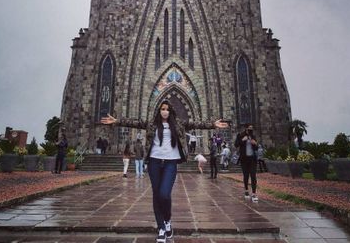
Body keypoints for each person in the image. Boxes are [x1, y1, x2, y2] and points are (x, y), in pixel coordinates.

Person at [101, 100, 229, 243]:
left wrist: (213, 124)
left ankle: (167, 220)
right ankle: (161, 228)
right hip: (154, 162)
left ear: (171, 111)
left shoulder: (178, 124)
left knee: (164, 194)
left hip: (170, 162)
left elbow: (196, 124)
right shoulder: (152, 124)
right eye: (162, 109)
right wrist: (117, 121)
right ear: (159, 110)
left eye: (167, 109)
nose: (165, 111)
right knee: (157, 195)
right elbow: (134, 122)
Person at [235, 123, 258, 202]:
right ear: (246, 129)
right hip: (244, 159)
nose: (250, 130)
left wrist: (255, 144)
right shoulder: (240, 135)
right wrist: (242, 140)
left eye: (252, 128)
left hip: (252, 159)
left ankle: (254, 193)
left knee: (253, 176)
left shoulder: (253, 136)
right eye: (249, 128)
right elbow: (236, 144)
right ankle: (246, 191)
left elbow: (256, 148)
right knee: (246, 176)